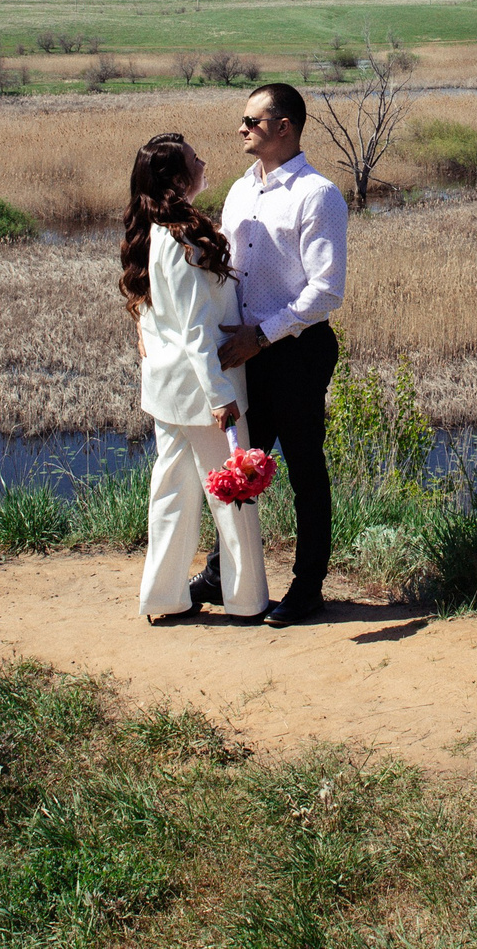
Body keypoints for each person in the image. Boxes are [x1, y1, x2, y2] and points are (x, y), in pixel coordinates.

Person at [192, 81, 347, 627]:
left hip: (296, 352)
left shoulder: (318, 194)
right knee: (237, 465)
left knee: (305, 469)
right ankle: (220, 574)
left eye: (252, 121)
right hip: (243, 353)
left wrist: (261, 336)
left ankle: (307, 588)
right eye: (243, 119)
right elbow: (226, 269)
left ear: (284, 128)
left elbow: (325, 291)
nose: (242, 129)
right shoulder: (239, 191)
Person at [123, 131, 268, 624]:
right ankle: (247, 599)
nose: (204, 161)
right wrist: (221, 397)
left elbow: (149, 311)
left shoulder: (152, 232)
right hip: (202, 393)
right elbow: (194, 330)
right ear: (177, 177)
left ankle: (162, 596)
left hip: (166, 391)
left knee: (172, 494)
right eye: (194, 158)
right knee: (234, 496)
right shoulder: (181, 239)